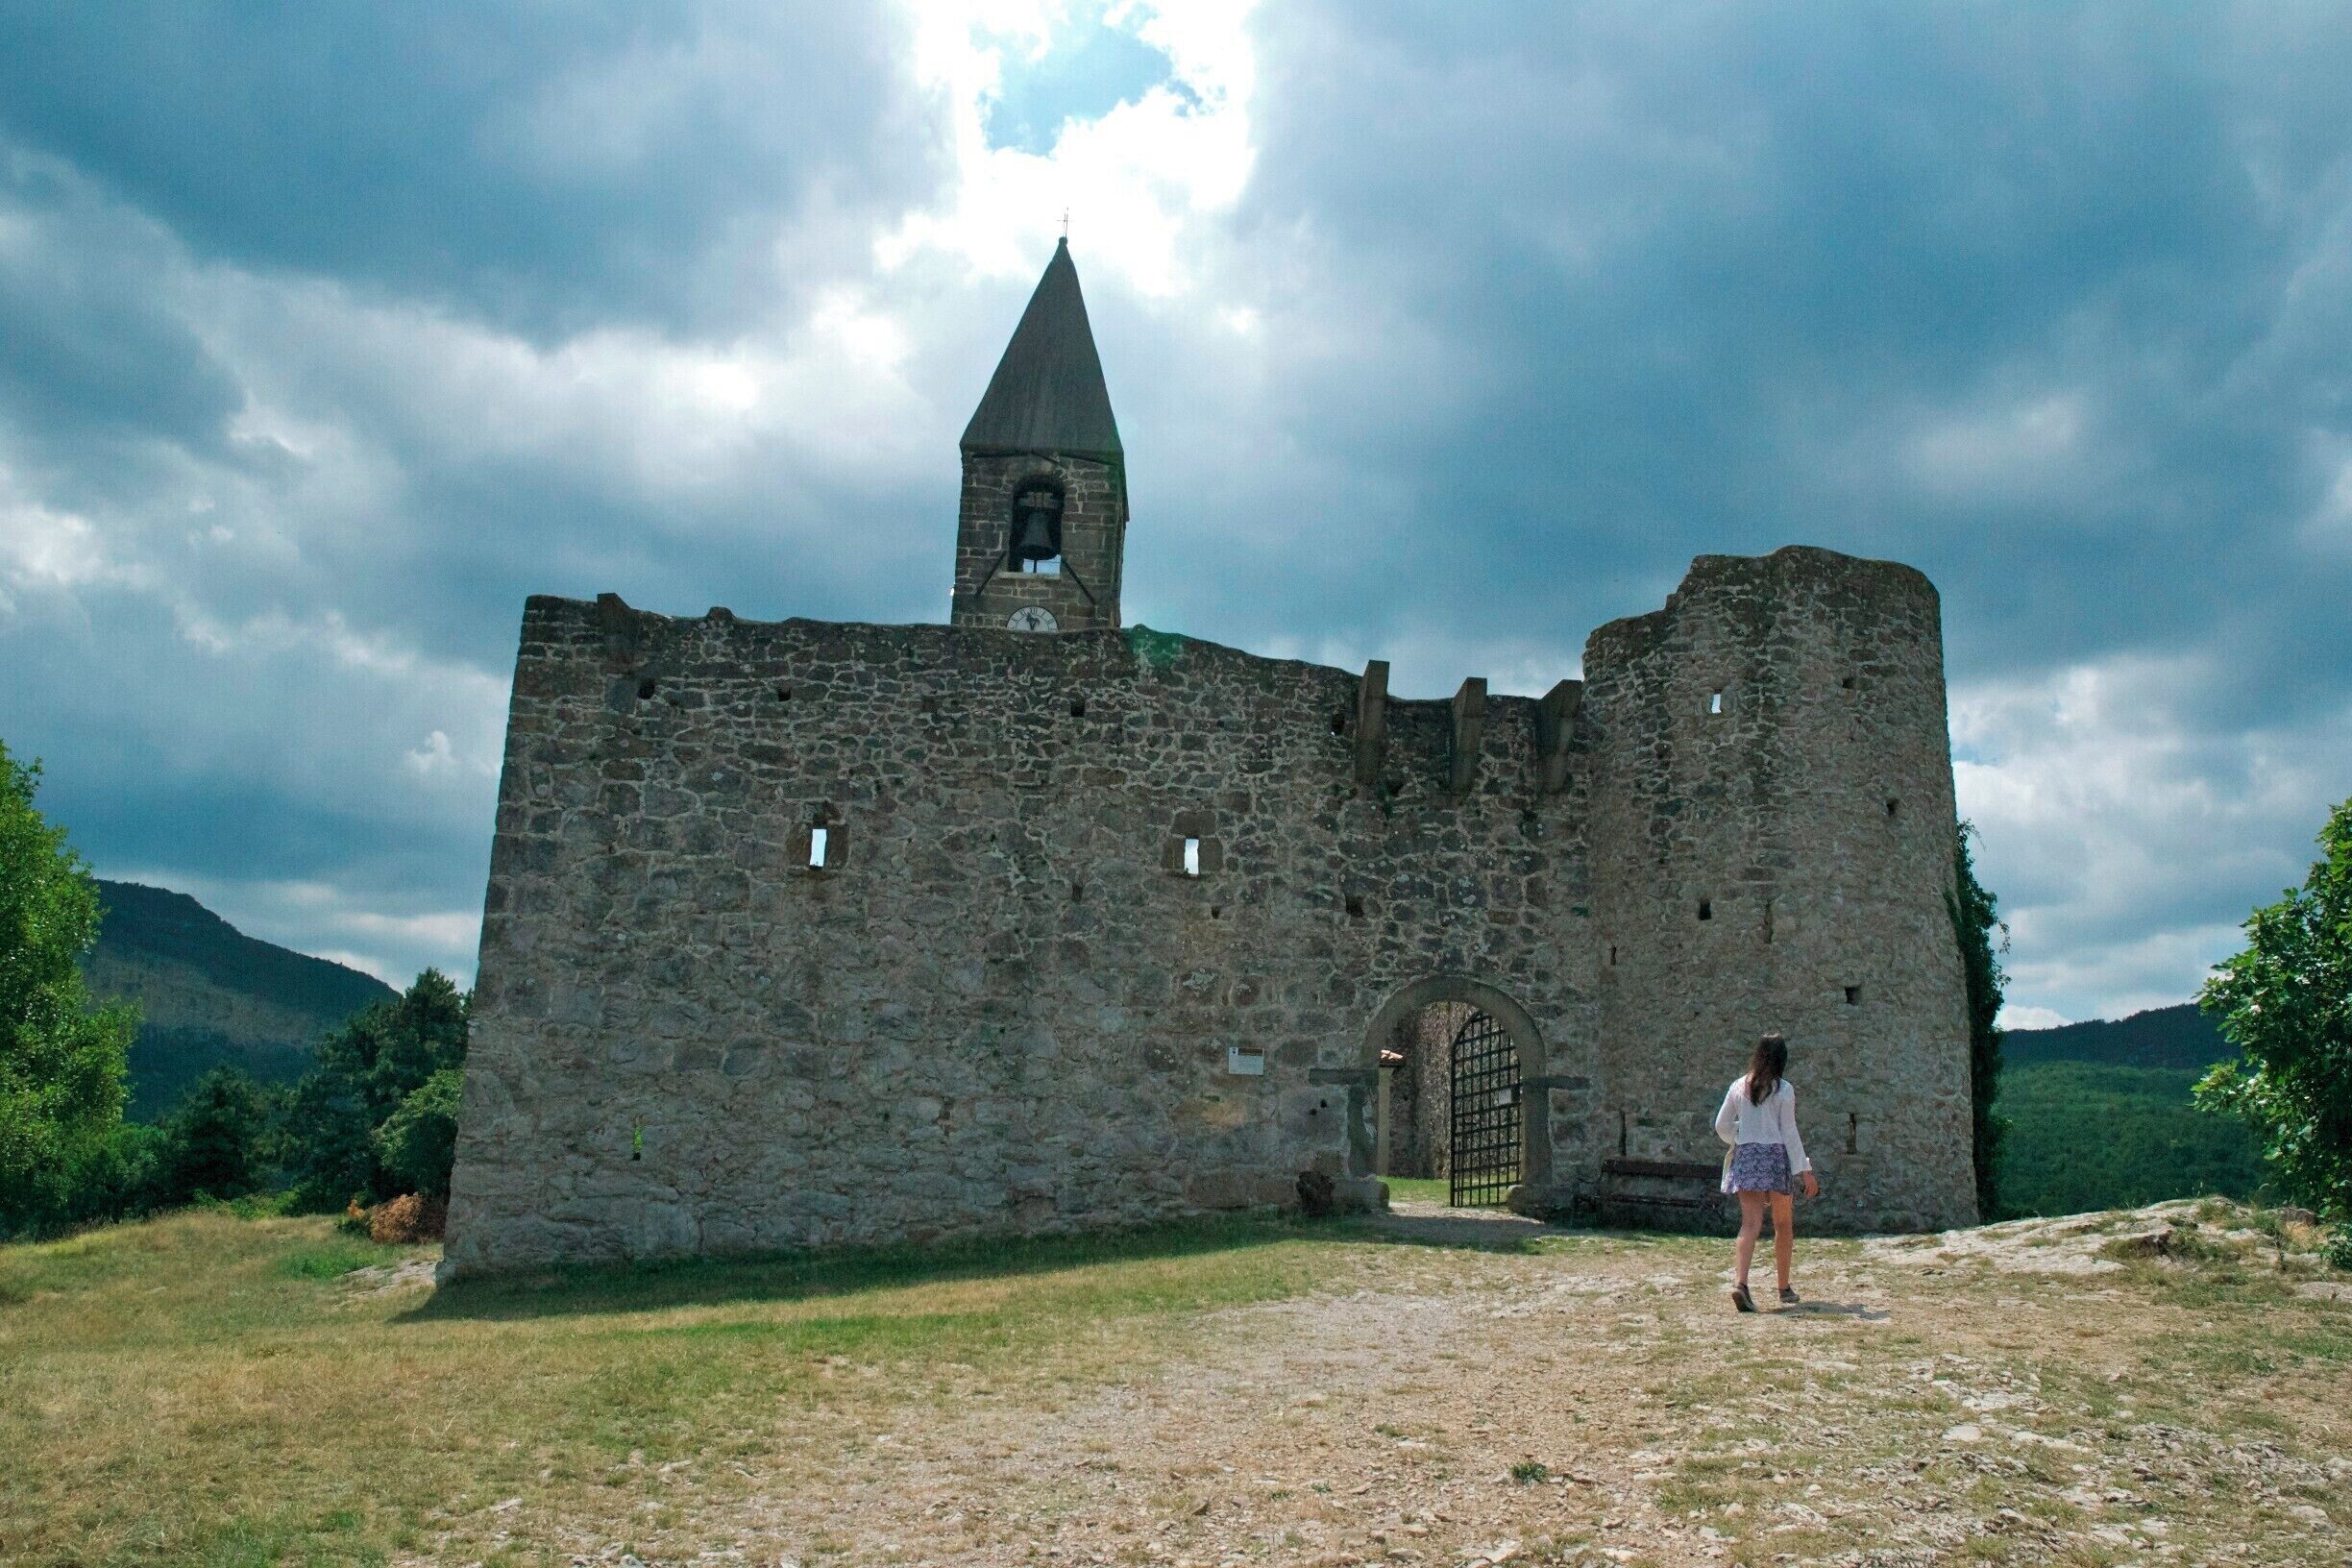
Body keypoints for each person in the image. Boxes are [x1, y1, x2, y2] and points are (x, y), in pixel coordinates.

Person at [1714, 1033, 1820, 1312]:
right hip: (1774, 1157)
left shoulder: (1739, 1086)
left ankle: (1741, 1283)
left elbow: (1721, 1125)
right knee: (1782, 1224)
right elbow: (1789, 1132)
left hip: (1747, 1156)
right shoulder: (1783, 1090)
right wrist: (1805, 1170)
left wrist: (1742, 1135)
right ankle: (1783, 1287)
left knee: (1749, 1223)